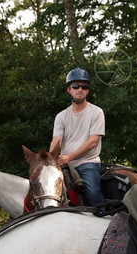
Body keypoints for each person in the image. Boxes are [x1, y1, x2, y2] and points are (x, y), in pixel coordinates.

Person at [50, 67, 105, 207]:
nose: (80, 89)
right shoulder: (61, 116)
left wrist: (69, 157)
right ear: (69, 89)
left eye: (84, 86)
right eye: (75, 86)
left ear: (87, 90)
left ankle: (106, 223)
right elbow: (56, 141)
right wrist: (50, 161)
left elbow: (93, 142)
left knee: (92, 195)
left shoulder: (96, 112)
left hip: (87, 162)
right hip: (64, 164)